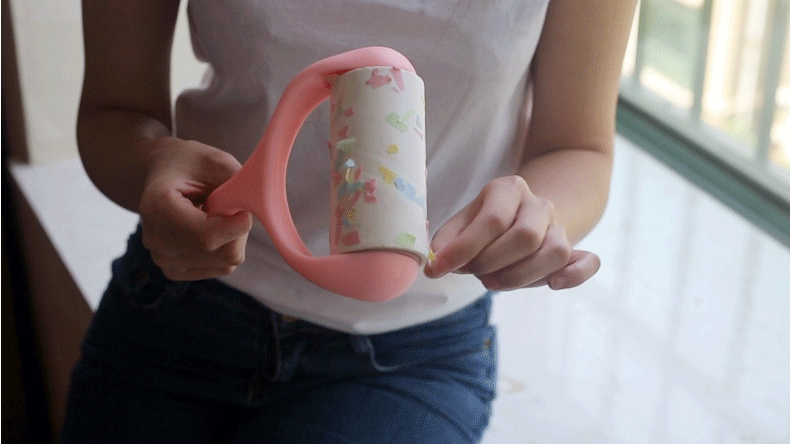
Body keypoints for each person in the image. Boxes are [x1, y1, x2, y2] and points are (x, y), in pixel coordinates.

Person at [62, 0, 637, 442]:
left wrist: (536, 215)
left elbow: (577, 147)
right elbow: (115, 112)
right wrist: (151, 165)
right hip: (180, 307)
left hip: (411, 352)